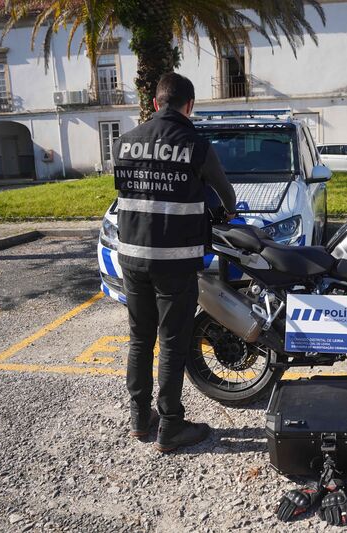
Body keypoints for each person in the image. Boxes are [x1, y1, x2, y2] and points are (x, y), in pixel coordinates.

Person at [113, 72, 237, 453]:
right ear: (189, 105)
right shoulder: (196, 145)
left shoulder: (125, 143)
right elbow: (227, 197)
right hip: (175, 263)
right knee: (171, 342)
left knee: (139, 338)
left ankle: (139, 419)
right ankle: (170, 426)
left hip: (132, 257)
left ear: (155, 103)